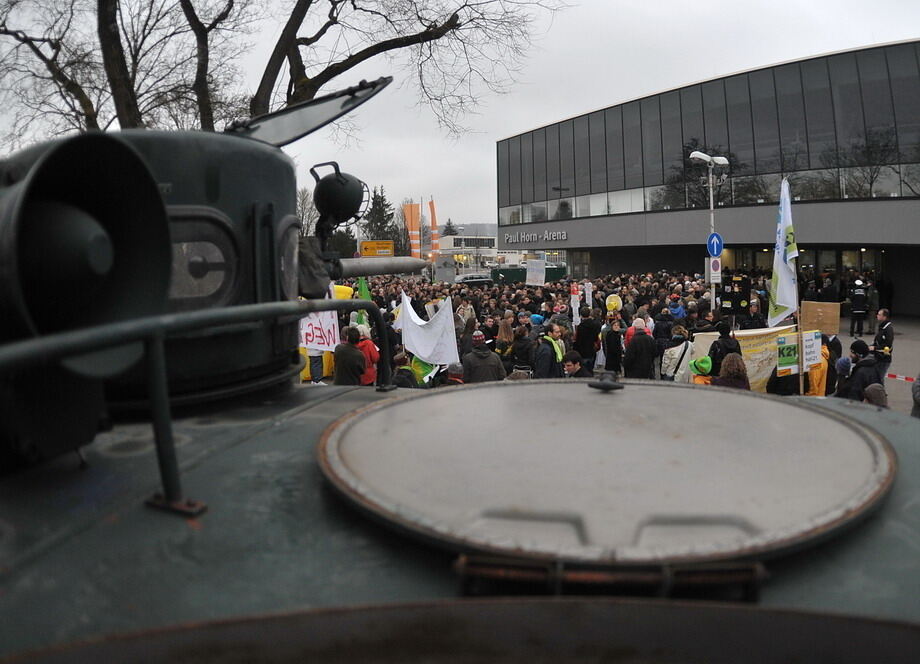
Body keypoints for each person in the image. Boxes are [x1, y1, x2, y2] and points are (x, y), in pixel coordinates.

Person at [573, 307, 601, 373]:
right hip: (592, 350)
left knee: (584, 370)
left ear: (581, 315)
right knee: (590, 369)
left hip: (582, 352)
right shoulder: (595, 325)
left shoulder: (580, 327)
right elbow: (596, 338)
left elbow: (578, 340)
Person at [870, 308, 894, 384]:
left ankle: (880, 394)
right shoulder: (882, 327)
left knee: (879, 379)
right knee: (876, 378)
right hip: (879, 357)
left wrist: (875, 348)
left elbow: (888, 345)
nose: (877, 316)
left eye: (879, 315)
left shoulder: (888, 329)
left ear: (884, 317)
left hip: (883, 359)